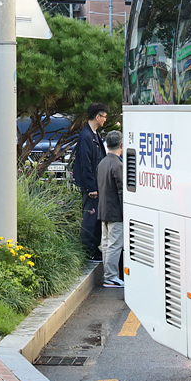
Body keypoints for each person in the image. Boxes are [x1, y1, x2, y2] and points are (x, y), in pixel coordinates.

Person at [70, 103, 110, 262]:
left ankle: (94, 248)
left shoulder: (93, 134)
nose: (105, 120)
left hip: (96, 184)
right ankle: (89, 250)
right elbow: (86, 164)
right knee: (90, 218)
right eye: (104, 117)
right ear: (97, 117)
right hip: (91, 186)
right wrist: (91, 187)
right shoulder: (86, 136)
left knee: (95, 218)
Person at [96, 131, 125, 288]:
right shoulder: (118, 165)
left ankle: (108, 275)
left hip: (103, 210)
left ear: (107, 145)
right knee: (114, 245)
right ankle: (111, 277)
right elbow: (121, 191)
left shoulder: (102, 163)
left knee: (107, 244)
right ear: (121, 145)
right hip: (115, 212)